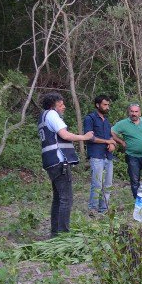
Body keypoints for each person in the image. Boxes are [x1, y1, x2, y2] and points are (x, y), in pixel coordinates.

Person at [37, 92, 94, 237]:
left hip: (50, 162)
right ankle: (63, 234)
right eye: (61, 105)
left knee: (58, 198)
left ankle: (55, 233)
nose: (64, 107)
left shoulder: (43, 116)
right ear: (52, 106)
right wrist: (85, 137)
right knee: (66, 198)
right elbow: (65, 135)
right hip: (58, 161)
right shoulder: (51, 115)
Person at [112, 103, 142, 199]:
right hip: (132, 156)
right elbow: (112, 132)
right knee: (134, 180)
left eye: (136, 111)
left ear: (140, 113)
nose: (134, 113)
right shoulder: (123, 123)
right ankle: (137, 200)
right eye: (132, 111)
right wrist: (121, 141)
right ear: (129, 112)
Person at [83, 94, 117, 214]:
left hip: (108, 156)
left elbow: (109, 137)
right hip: (96, 155)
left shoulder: (106, 121)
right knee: (97, 184)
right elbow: (89, 137)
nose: (107, 107)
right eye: (105, 104)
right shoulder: (90, 118)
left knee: (108, 184)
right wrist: (107, 141)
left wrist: (112, 144)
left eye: (108, 105)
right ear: (97, 105)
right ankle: (93, 209)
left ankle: (103, 210)